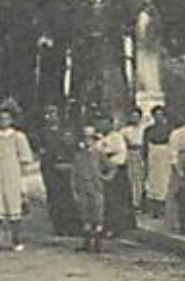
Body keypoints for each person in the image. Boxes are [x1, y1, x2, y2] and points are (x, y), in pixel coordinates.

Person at [0, 106, 36, 253]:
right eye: (0, 119)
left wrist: (24, 180)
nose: (3, 121)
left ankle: (16, 240)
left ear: (12, 120)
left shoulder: (18, 137)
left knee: (13, 207)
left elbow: (25, 158)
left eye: (6, 119)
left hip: (12, 175)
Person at [34, 105, 82, 237]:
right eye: (48, 114)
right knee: (54, 195)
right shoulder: (41, 133)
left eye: (54, 114)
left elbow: (72, 148)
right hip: (50, 168)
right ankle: (59, 225)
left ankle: (72, 225)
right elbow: (42, 151)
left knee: (68, 195)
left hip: (66, 166)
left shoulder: (65, 131)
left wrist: (69, 162)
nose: (51, 117)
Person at [70, 125, 107, 253]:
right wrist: (74, 187)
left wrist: (104, 178)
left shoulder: (99, 154)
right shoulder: (79, 156)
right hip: (82, 186)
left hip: (96, 187)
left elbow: (110, 167)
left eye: (91, 138)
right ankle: (86, 243)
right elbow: (74, 173)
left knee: (97, 214)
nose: (88, 141)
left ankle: (97, 244)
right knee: (84, 213)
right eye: (85, 138)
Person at [96, 112, 134, 233]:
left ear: (111, 124)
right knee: (104, 200)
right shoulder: (98, 137)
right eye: (101, 123)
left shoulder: (117, 137)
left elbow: (121, 154)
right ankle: (104, 225)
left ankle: (116, 227)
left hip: (116, 170)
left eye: (106, 123)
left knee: (116, 200)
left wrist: (112, 165)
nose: (103, 125)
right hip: (101, 169)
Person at [143, 106, 173, 219]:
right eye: (156, 115)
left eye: (160, 115)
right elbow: (145, 144)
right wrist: (145, 157)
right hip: (153, 154)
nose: (158, 117)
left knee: (164, 181)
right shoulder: (149, 130)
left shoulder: (169, 129)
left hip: (165, 154)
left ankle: (164, 209)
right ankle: (154, 209)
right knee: (153, 182)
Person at [120, 107, 148, 213]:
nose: (135, 119)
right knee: (131, 178)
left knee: (141, 179)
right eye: (133, 116)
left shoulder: (144, 129)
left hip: (141, 153)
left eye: (137, 117)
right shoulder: (125, 130)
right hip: (130, 153)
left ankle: (141, 202)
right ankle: (133, 203)